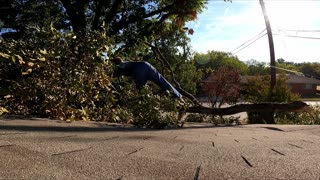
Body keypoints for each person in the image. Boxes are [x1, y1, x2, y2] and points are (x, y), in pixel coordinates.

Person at [111, 57, 182, 98]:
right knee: (161, 80)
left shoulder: (120, 65)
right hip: (146, 65)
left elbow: (114, 73)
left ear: (115, 63)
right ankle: (178, 96)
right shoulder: (127, 63)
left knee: (142, 90)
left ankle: (142, 107)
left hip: (139, 69)